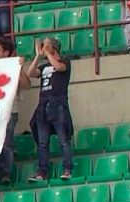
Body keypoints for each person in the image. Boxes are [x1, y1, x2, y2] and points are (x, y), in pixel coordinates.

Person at [0, 38, 30, 185]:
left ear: (6, 52)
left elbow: (26, 85)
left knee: (6, 143)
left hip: (10, 111)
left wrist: (20, 68)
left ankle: (5, 174)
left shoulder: (14, 66)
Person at [27, 37, 74, 182]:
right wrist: (37, 56)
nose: (44, 47)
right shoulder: (44, 66)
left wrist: (48, 53)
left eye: (47, 44)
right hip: (43, 105)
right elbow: (30, 73)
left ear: (54, 47)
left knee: (63, 140)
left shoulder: (64, 61)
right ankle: (42, 172)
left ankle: (67, 169)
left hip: (57, 104)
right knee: (42, 143)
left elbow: (59, 68)